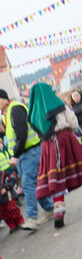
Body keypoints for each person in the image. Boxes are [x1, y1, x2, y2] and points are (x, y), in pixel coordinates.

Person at [28, 83, 82, 228]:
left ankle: (59, 210)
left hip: (48, 145)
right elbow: (73, 122)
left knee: (56, 175)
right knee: (81, 167)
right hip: (65, 138)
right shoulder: (59, 104)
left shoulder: (33, 113)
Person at [0, 89, 53, 227]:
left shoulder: (15, 109)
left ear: (3, 99)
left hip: (30, 152)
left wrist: (15, 155)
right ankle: (49, 209)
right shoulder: (7, 112)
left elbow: (22, 134)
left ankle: (31, 218)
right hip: (25, 154)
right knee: (34, 184)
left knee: (29, 185)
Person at [0, 122, 32, 233]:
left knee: (11, 208)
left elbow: (11, 178)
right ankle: (12, 225)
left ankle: (19, 221)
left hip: (6, 189)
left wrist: (7, 187)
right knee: (4, 212)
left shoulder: (3, 173)